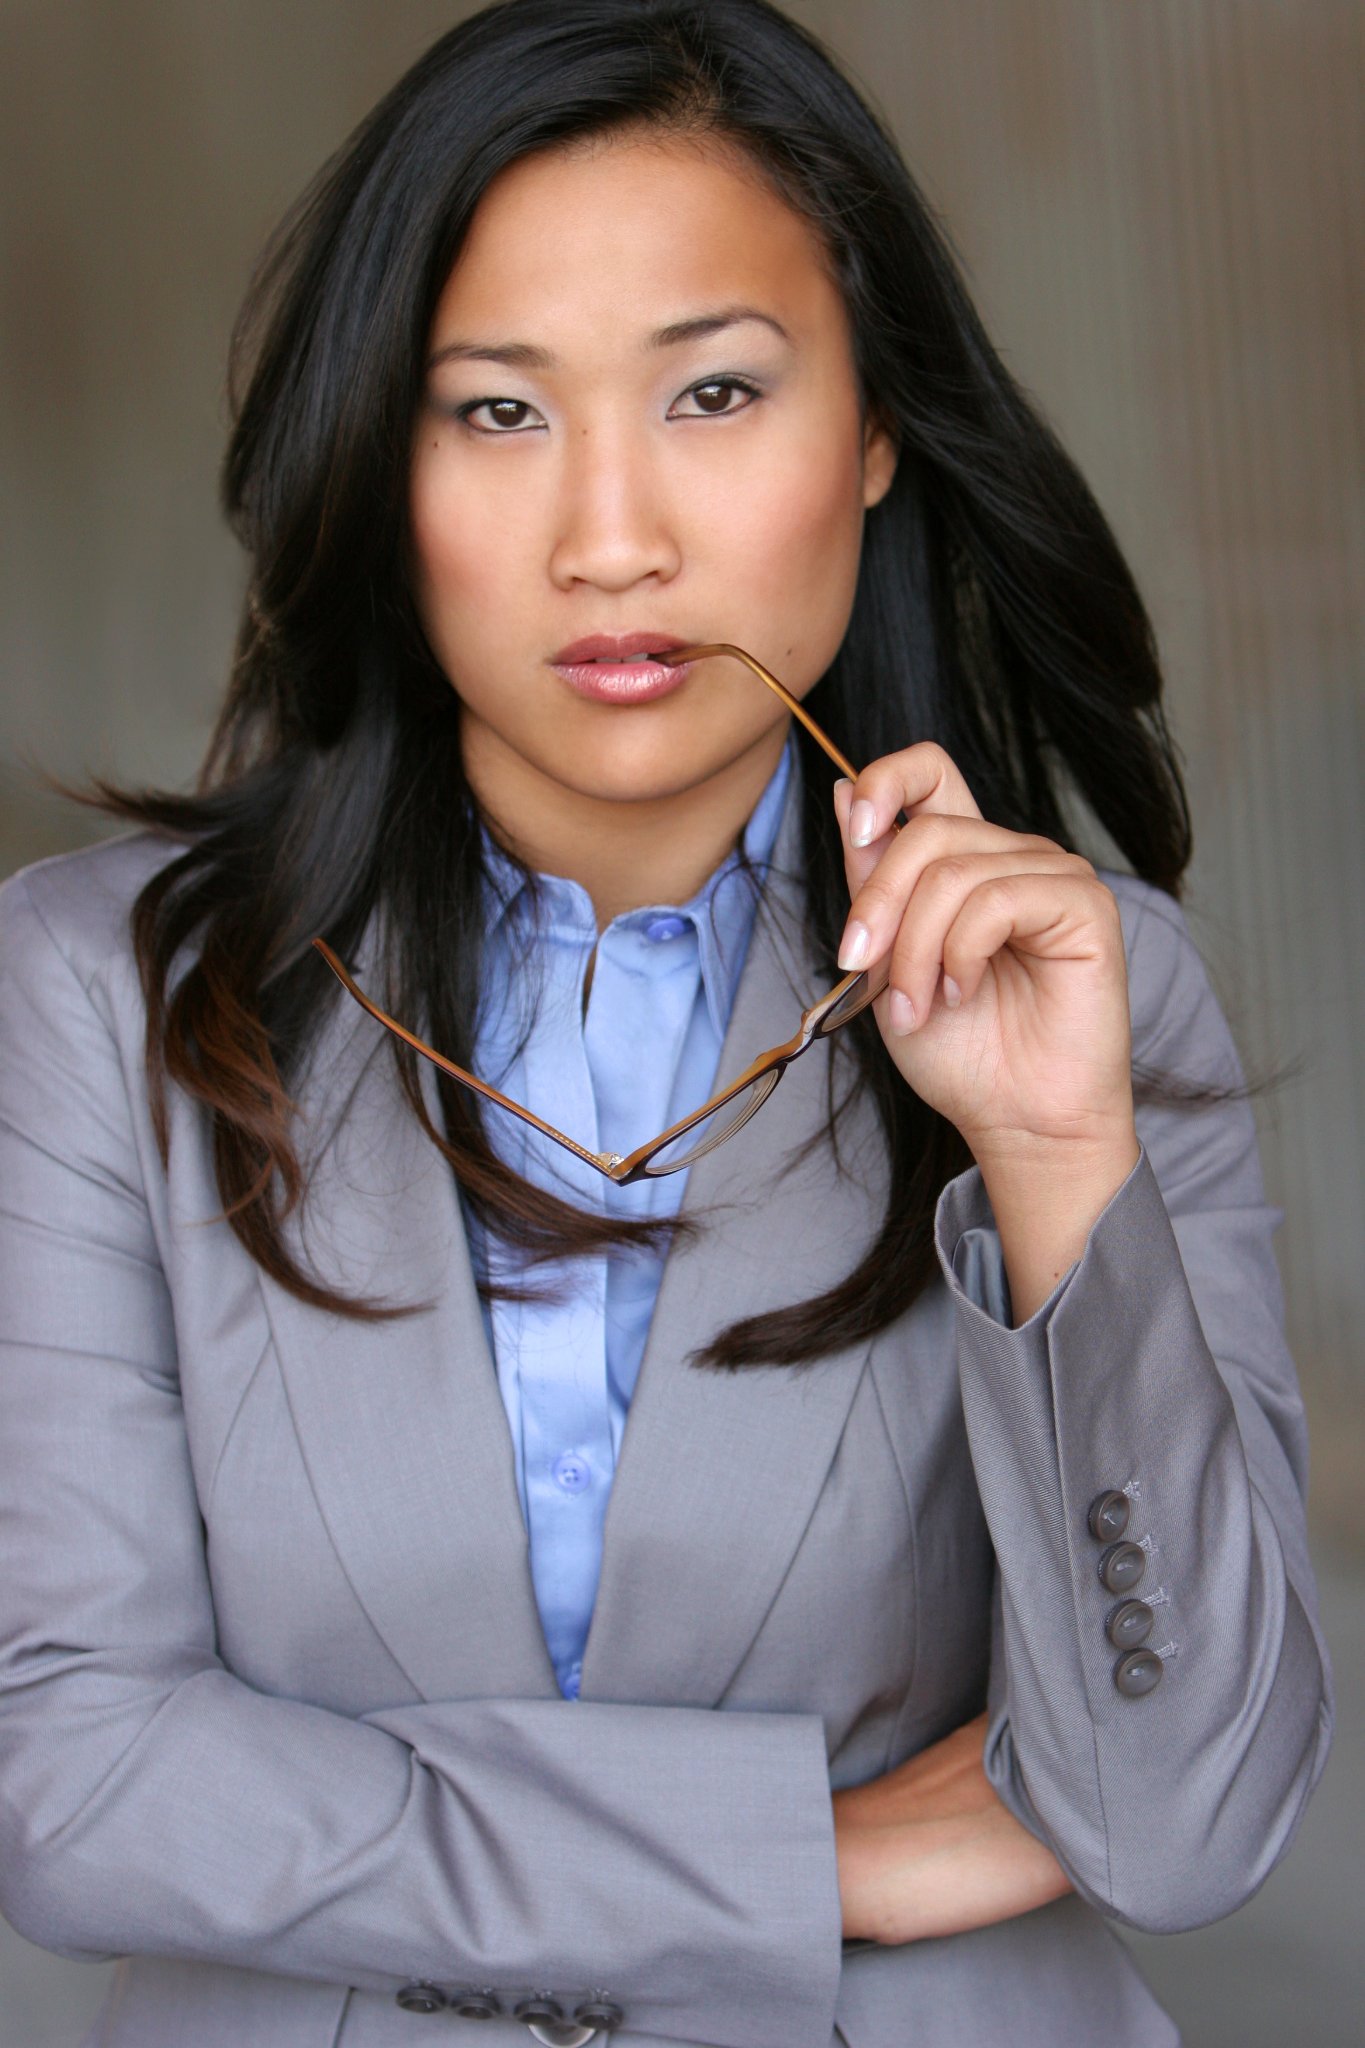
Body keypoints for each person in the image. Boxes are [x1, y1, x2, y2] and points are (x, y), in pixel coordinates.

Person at [0, 2, 1332, 2044]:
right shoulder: (101, 994)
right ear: (381, 461)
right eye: (496, 411)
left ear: (873, 427)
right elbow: (69, 1777)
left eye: (712, 391)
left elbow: (1186, 1816)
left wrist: (1052, 1156)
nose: (609, 537)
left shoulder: (1080, 985)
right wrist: (815, 1862)